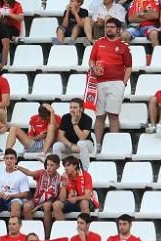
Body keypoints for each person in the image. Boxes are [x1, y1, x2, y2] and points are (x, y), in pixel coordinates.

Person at [88, 18, 132, 147]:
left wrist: (123, 83)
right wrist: (93, 67)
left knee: (113, 115)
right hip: (99, 82)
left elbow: (128, 67)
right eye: (108, 27)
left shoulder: (124, 46)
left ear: (118, 29)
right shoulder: (98, 43)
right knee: (100, 115)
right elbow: (91, 61)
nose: (109, 29)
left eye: (112, 27)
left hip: (116, 83)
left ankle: (113, 145)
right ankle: (98, 145)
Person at [48, 97, 94, 171]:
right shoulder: (65, 117)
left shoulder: (87, 119)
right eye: (71, 107)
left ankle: (86, 170)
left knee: (81, 143)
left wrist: (74, 123)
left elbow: (82, 137)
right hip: (69, 145)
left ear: (81, 109)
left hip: (86, 145)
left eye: (75, 107)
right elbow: (60, 136)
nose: (72, 110)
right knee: (56, 145)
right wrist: (71, 145)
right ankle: (56, 170)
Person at [0, 149, 28, 219]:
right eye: (7, 158)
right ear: (4, 159)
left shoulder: (21, 173)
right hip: (0, 198)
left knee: (15, 205)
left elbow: (25, 194)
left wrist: (11, 195)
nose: (9, 160)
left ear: (16, 160)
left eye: (11, 158)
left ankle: (13, 229)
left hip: (15, 198)